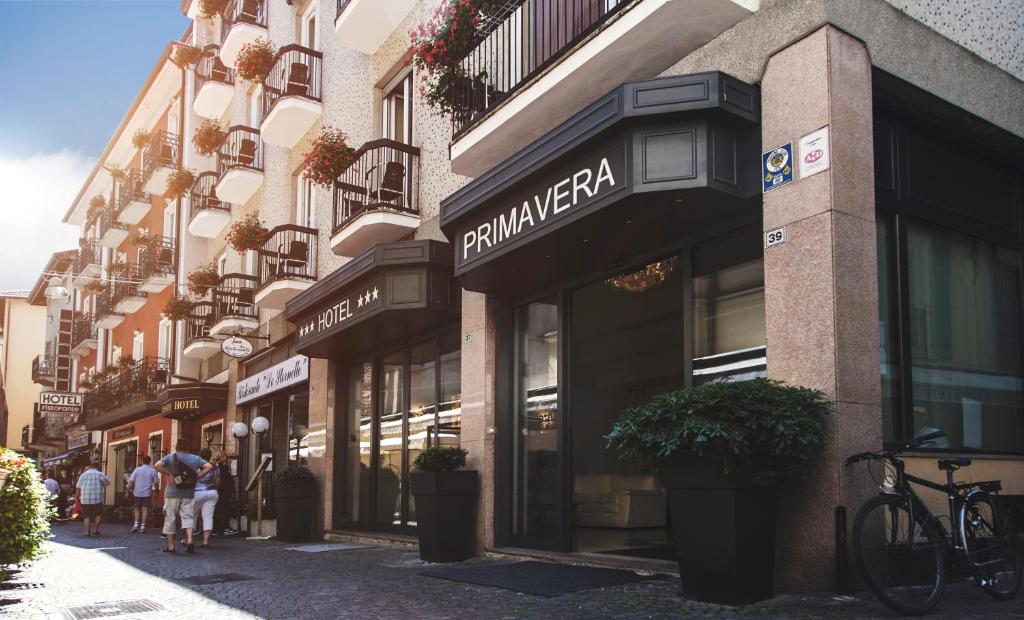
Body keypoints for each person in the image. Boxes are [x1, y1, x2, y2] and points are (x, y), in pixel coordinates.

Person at [155, 438, 213, 553]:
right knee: (188, 517)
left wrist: (169, 474)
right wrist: (198, 476)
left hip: (172, 493)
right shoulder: (195, 458)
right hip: (188, 492)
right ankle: (190, 540)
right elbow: (209, 466)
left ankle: (171, 545)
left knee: (170, 518)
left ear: (176, 447)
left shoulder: (170, 457)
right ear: (187, 448)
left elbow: (157, 465)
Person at [191, 448, 220, 548]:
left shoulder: (196, 466)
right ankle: (205, 541)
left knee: (192, 515)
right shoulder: (215, 467)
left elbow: (192, 481)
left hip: (198, 493)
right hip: (212, 492)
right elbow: (217, 482)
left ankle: (189, 539)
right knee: (208, 517)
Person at [128, 455, 161, 534]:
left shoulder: (137, 470)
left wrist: (128, 491)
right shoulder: (153, 470)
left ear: (142, 461)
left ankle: (135, 525)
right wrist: (156, 492)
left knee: (137, 508)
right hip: (147, 493)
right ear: (150, 462)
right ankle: (143, 526)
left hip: (137, 492)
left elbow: (131, 481)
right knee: (145, 509)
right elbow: (156, 483)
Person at [75, 461, 110, 537]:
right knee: (99, 514)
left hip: (85, 499)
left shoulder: (83, 475)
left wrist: (77, 496)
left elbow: (78, 487)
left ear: (90, 466)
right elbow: (108, 483)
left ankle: (87, 532)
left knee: (86, 516)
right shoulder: (100, 474)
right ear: (98, 466)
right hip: (97, 498)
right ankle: (95, 530)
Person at [213, 452, 235, 535]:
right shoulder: (221, 466)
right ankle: (223, 527)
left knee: (222, 508)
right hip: (222, 491)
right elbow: (225, 477)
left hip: (223, 490)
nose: (226, 458)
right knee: (223, 509)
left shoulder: (219, 465)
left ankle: (220, 528)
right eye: (225, 456)